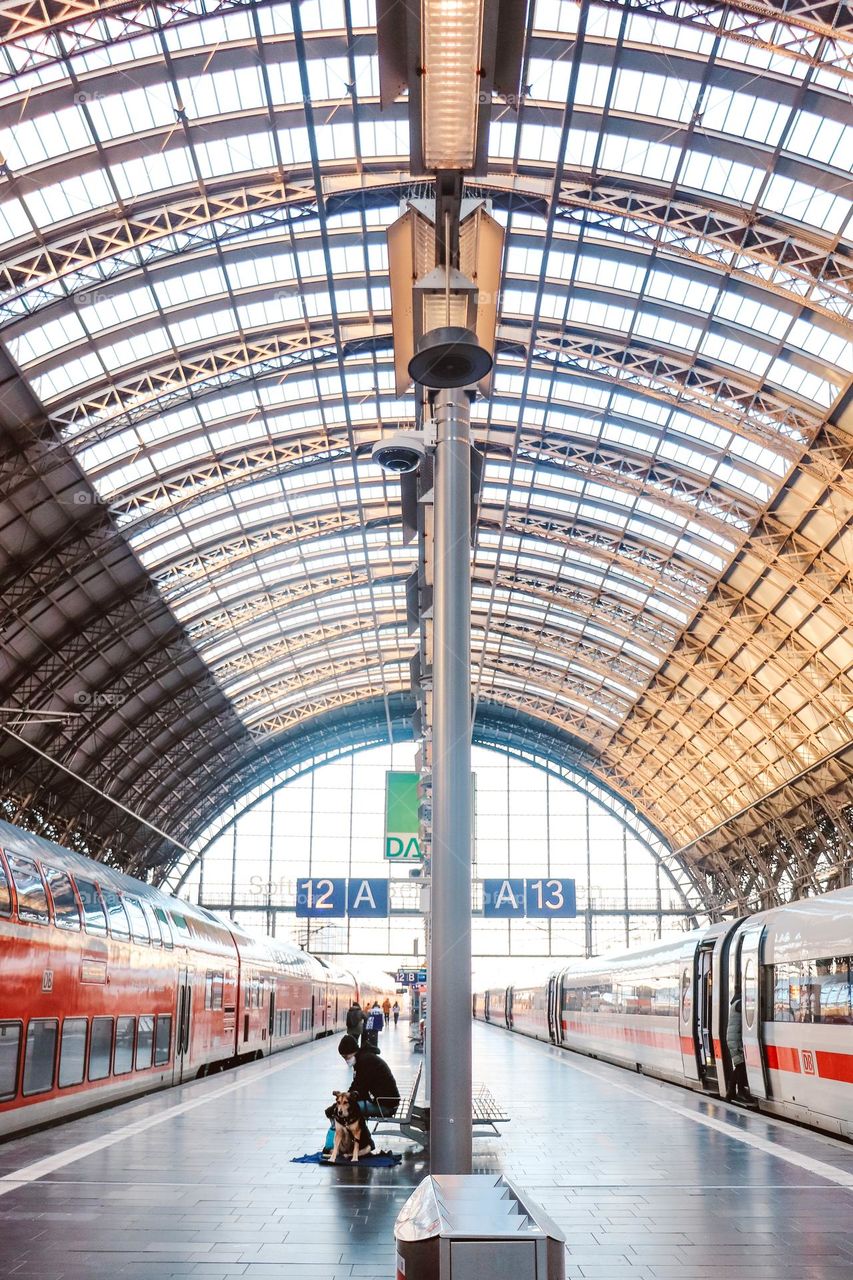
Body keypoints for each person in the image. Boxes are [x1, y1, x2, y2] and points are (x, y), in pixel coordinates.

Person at [337, 1034, 399, 1117]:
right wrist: (345, 1097)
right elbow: (358, 1084)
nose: (346, 1060)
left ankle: (336, 1130)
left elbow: (361, 1088)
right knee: (342, 1107)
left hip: (386, 1106)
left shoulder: (365, 1061)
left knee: (342, 1110)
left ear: (353, 1051)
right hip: (386, 1102)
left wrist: (346, 1098)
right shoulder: (364, 1058)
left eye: (346, 1057)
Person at [724, 992, 752, 1103]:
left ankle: (731, 1092)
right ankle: (738, 1092)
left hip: (734, 1039)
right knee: (741, 1066)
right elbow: (749, 1011)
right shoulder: (738, 1004)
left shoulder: (734, 1004)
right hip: (735, 1040)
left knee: (740, 1065)